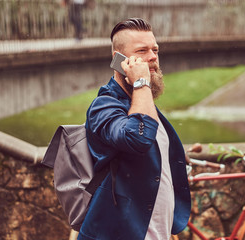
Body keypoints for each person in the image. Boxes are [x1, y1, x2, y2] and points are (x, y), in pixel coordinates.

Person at [77, 18, 191, 240]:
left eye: (155, 49)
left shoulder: (142, 102)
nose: (153, 57)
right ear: (119, 60)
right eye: (142, 50)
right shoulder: (104, 106)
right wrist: (141, 83)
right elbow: (138, 138)